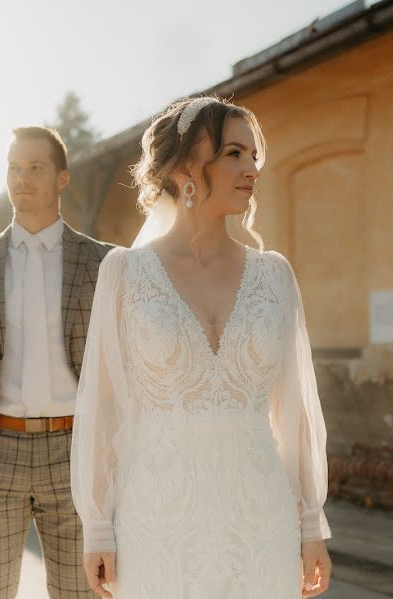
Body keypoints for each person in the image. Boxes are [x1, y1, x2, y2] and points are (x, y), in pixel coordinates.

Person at [70, 96, 333, 598]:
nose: (251, 168)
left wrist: (310, 524)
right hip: (156, 520)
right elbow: (101, 408)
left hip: (261, 521)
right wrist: (98, 526)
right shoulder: (124, 274)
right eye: (234, 153)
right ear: (188, 163)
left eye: (254, 156)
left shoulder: (274, 276)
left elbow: (296, 413)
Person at [0, 126, 114, 598]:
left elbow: (125, 364)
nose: (21, 178)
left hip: (77, 456)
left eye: (35, 168)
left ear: (62, 179)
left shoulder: (105, 264)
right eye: (13, 167)